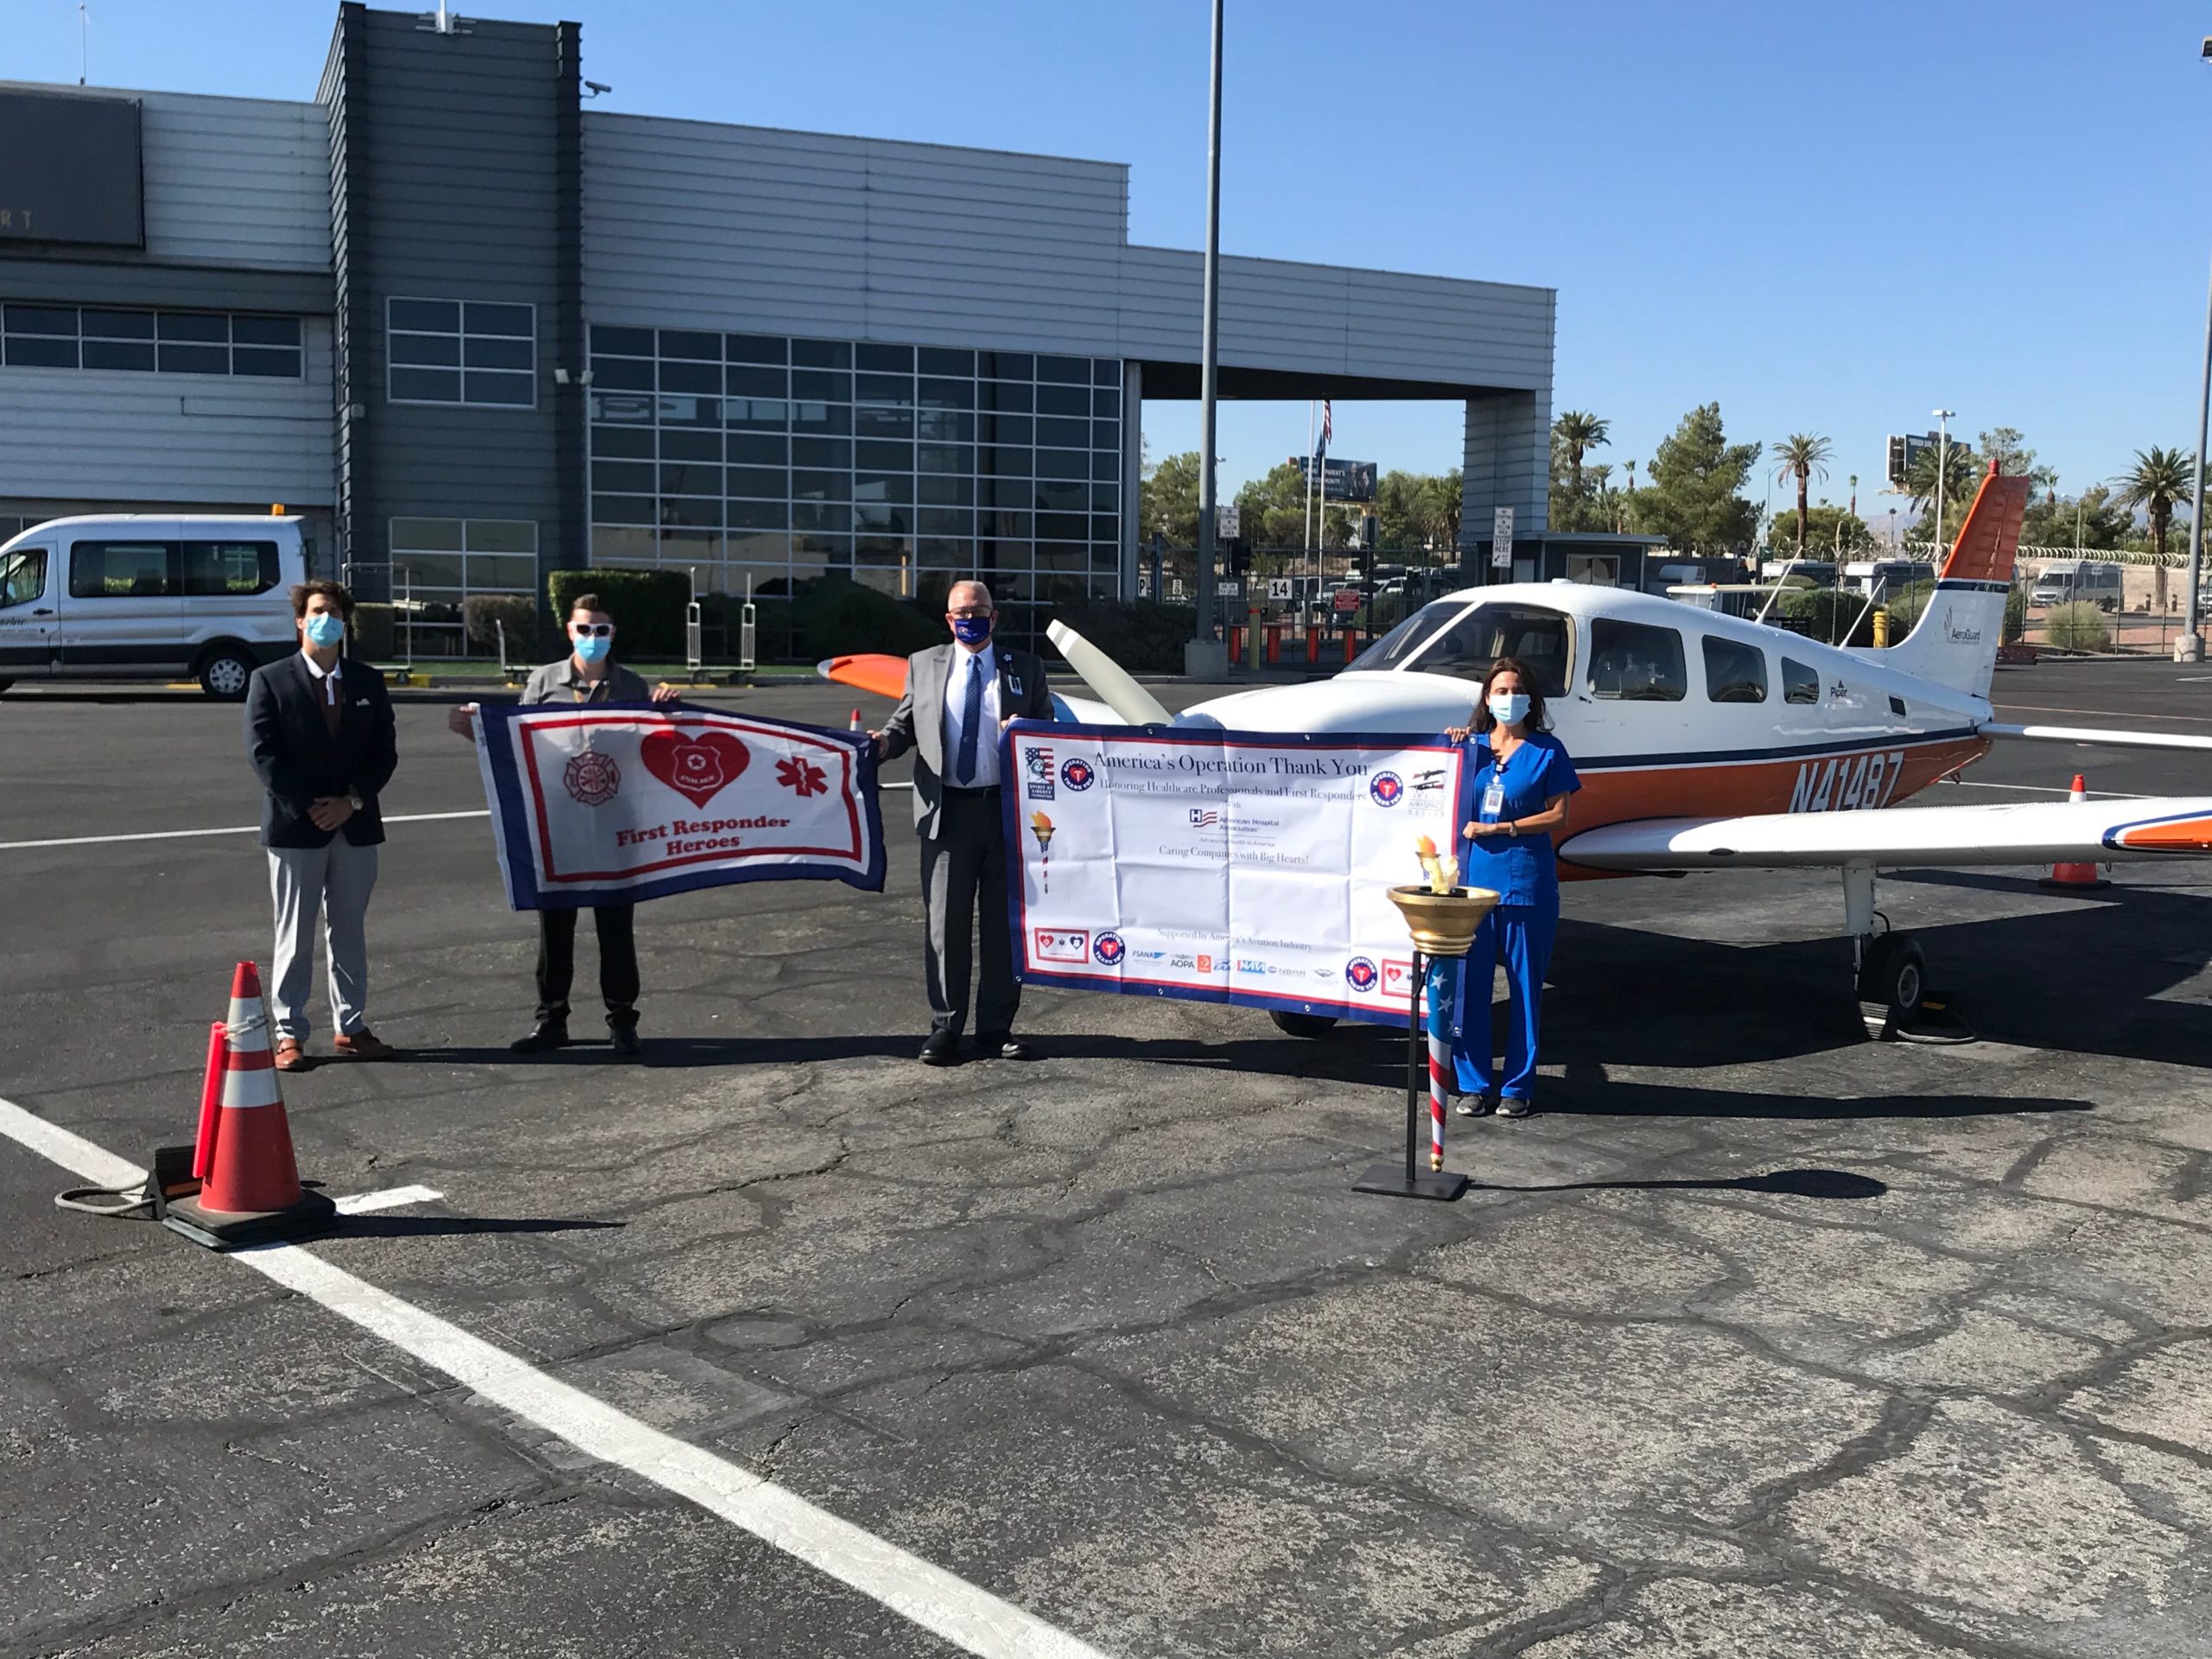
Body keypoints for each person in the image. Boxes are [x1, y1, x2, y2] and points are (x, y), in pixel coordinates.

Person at [448, 594, 680, 1058]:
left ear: (612, 635)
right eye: (584, 629)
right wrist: (474, 728)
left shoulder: (633, 686)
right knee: (555, 928)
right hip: (556, 822)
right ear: (569, 632)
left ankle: (622, 1021)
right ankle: (551, 1021)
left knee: (616, 926)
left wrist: (670, 713)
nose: (592, 638)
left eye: (601, 630)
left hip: (617, 826)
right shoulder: (543, 682)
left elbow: (656, 751)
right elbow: (518, 741)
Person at [872, 580, 1053, 1065]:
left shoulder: (1026, 669)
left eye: (979, 610)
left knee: (1002, 928)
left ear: (994, 617)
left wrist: (1027, 733)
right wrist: (882, 745)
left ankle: (996, 1028)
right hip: (947, 812)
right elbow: (903, 724)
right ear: (948, 619)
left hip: (1007, 815)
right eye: (960, 612)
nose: (969, 618)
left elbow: (1051, 734)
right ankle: (945, 1028)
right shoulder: (924, 664)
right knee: (945, 926)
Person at [244, 579, 398, 1071]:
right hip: (297, 830)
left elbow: (384, 754)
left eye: (334, 612)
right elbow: (263, 754)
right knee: (294, 934)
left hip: (354, 827)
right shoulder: (270, 680)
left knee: (348, 931)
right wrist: (311, 806)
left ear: (345, 623)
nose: (324, 618)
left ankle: (351, 1027)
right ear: (299, 619)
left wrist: (351, 801)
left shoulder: (368, 683)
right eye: (316, 610)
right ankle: (290, 1033)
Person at [1442, 658, 1580, 1118]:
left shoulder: (1547, 750)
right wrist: (1453, 745)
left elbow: (1559, 816)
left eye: (1517, 689)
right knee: (1471, 989)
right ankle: (1473, 1084)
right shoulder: (1472, 749)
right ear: (1486, 697)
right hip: (1474, 890)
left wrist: (1506, 828)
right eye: (1500, 690)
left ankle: (1518, 1087)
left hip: (1526, 886)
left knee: (1524, 991)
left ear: (1530, 698)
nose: (1508, 697)